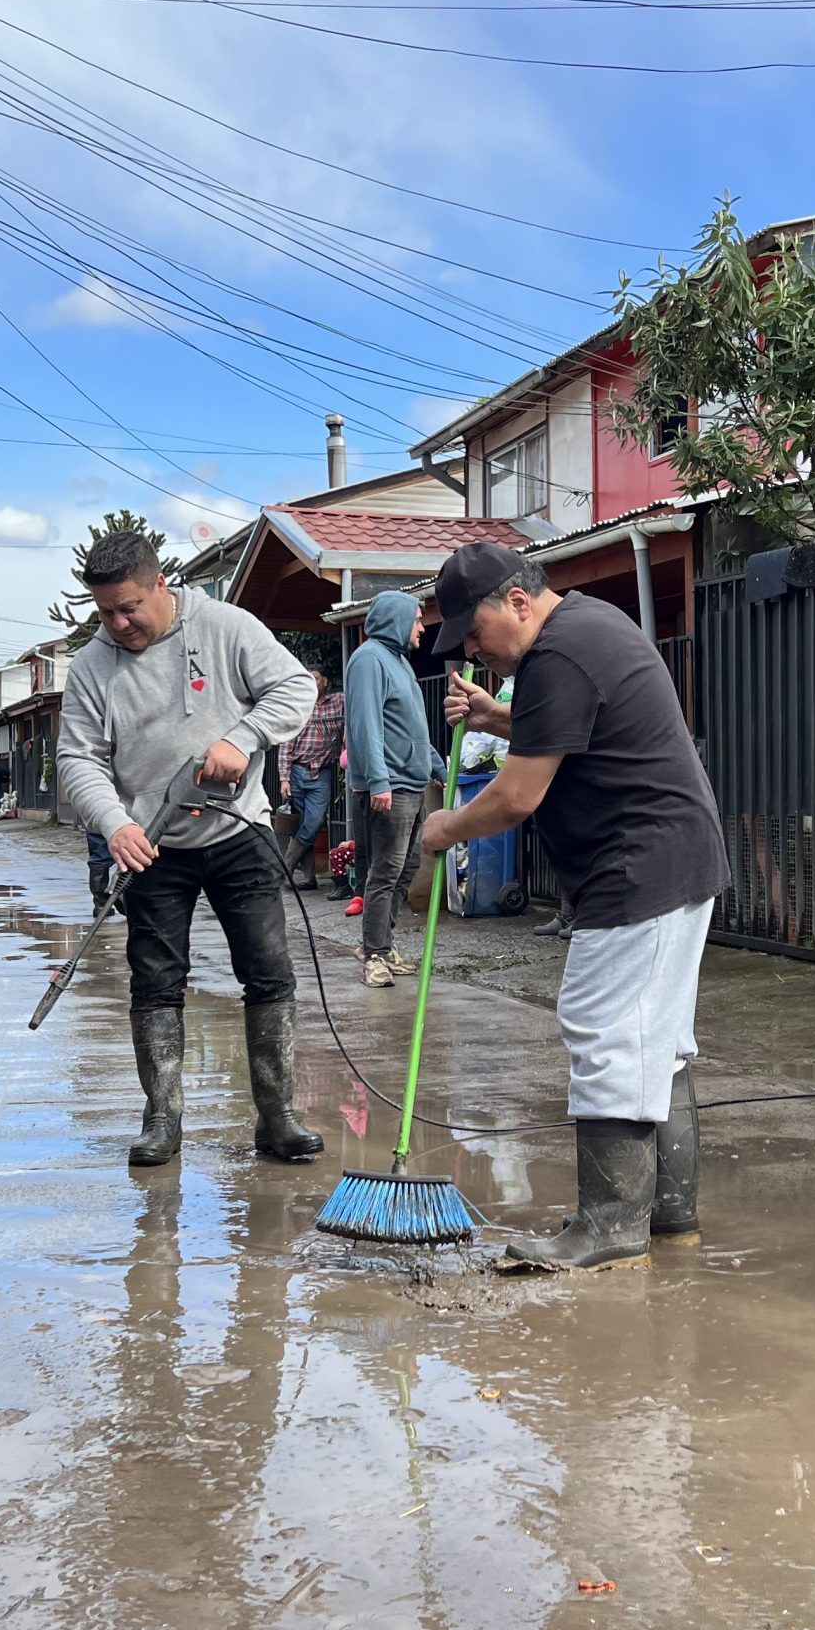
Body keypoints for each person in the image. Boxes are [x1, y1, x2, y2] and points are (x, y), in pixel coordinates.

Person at [420, 544, 727, 1270]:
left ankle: (611, 1228)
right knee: (659, 1042)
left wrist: (440, 829)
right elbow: (570, 728)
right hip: (674, 858)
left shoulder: (558, 655)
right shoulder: (588, 625)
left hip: (638, 870)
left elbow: (516, 797)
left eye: (474, 633)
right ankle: (667, 1218)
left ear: (519, 603)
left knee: (607, 1035)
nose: (471, 650)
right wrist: (500, 716)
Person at [55, 528, 324, 1168]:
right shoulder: (92, 667)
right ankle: (161, 1120)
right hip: (150, 845)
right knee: (155, 982)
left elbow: (296, 688)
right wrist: (114, 824)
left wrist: (245, 737)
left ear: (161, 586)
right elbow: (77, 757)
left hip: (240, 834)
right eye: (106, 613)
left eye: (130, 608)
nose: (120, 624)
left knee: (267, 972)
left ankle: (278, 1116)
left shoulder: (229, 627)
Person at [343, 589, 445, 989]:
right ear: (397, 620)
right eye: (417, 620)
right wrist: (378, 781)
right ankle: (373, 954)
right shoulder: (368, 660)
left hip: (412, 783)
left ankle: (383, 945)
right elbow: (365, 725)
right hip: (390, 787)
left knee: (407, 869)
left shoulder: (399, 661)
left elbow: (412, 728)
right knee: (384, 872)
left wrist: (437, 764)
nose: (422, 628)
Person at [278, 665, 344, 889]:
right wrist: (284, 778)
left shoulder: (339, 702)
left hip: (322, 772)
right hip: (298, 770)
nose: (311, 683)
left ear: (325, 681)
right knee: (303, 824)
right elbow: (286, 743)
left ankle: (285, 866)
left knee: (314, 822)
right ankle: (308, 878)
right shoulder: (299, 705)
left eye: (315, 679)